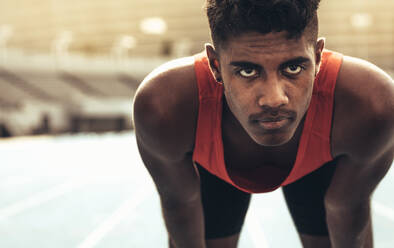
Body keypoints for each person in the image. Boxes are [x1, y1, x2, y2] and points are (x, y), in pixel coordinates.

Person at [132, 0, 394, 247]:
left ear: (318, 58)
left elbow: (347, 208)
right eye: (248, 71)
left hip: (322, 167)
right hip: (212, 175)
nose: (274, 99)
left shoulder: (372, 106)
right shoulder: (164, 109)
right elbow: (181, 205)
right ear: (215, 65)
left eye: (293, 69)